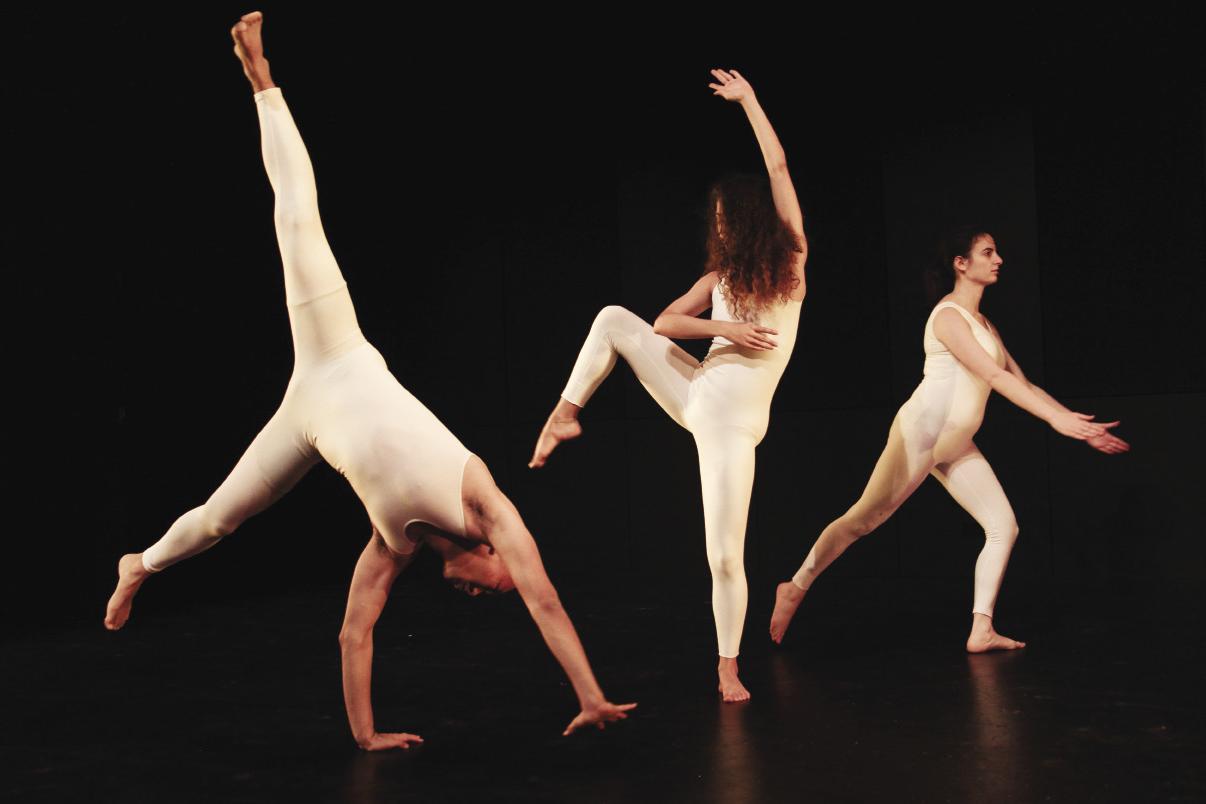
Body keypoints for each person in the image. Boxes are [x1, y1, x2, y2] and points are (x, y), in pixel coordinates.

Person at [105, 11, 634, 748]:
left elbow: (356, 634)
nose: (485, 595)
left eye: (489, 595)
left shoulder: (393, 546)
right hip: (336, 354)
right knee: (298, 222)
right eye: (493, 589)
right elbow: (543, 600)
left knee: (221, 520)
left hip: (305, 419)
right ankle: (262, 78)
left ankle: (142, 562)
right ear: (489, 555)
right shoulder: (483, 500)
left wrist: (367, 737)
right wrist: (591, 694)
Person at [529, 69, 807, 702]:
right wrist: (725, 331)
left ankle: (727, 664)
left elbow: (781, 169)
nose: (720, 226)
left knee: (725, 555)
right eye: (715, 219)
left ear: (747, 218)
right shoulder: (720, 280)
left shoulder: (790, 261)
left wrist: (752, 102)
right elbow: (663, 322)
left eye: (724, 216)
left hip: (734, 426)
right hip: (700, 391)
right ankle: (564, 412)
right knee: (613, 321)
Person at [769, 227, 1130, 652]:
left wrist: (1071, 419)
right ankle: (795, 586)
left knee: (1003, 526)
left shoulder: (985, 325)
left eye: (996, 253)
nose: (998, 260)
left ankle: (981, 628)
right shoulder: (947, 316)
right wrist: (1055, 421)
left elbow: (1020, 381)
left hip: (956, 442)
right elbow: (992, 377)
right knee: (863, 520)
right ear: (961, 264)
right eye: (987, 252)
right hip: (922, 434)